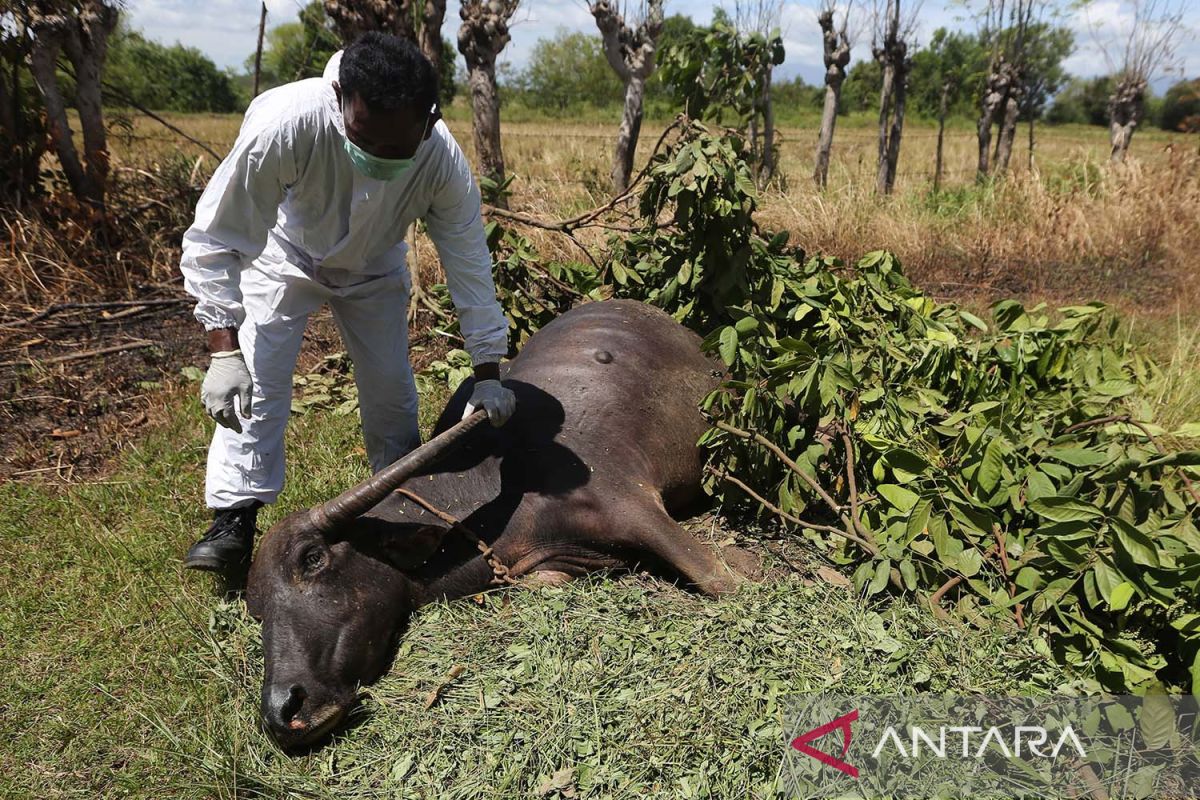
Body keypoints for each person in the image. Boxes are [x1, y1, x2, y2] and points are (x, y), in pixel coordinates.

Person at [179, 32, 515, 579]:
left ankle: (397, 504)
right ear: (340, 99)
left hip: (376, 266)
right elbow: (218, 237)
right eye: (364, 137)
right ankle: (232, 520)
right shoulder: (286, 124)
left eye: (395, 147)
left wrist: (488, 370)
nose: (379, 156)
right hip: (283, 256)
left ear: (427, 123)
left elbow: (469, 261)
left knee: (390, 393)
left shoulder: (442, 162)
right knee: (259, 385)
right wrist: (222, 348)